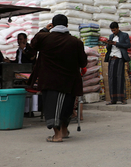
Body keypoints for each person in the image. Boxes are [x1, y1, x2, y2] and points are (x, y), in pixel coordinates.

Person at [28, 14, 87, 142]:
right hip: (70, 82)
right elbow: (83, 63)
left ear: (52, 26)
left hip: (50, 81)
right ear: (67, 26)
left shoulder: (44, 38)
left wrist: (44, 29)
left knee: (53, 108)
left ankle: (58, 135)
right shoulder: (76, 42)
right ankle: (64, 131)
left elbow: (33, 44)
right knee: (66, 107)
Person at [104, 22, 131, 105]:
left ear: (118, 28)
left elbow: (128, 45)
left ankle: (122, 98)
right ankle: (113, 99)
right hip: (112, 58)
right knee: (111, 78)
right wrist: (109, 44)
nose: (113, 32)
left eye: (114, 30)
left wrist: (116, 43)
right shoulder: (111, 36)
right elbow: (108, 48)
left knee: (120, 78)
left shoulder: (124, 35)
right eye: (112, 30)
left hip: (119, 58)